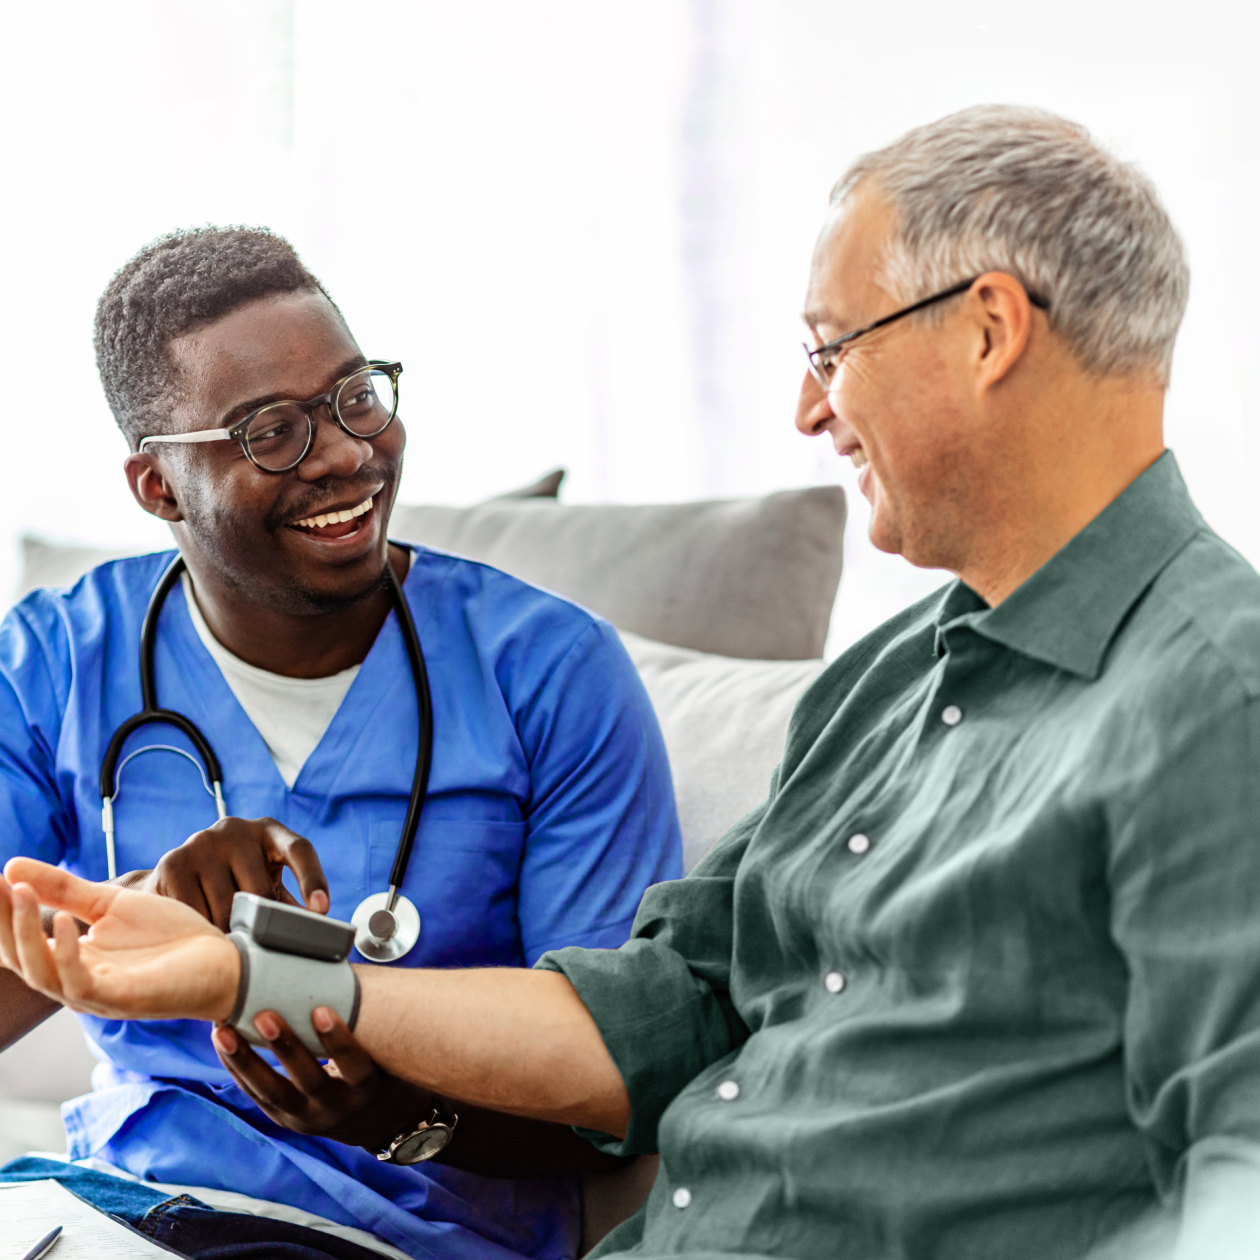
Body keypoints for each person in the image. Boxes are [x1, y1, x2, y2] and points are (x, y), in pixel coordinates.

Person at [5, 102, 1260, 1259]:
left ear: (988, 331)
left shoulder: (1213, 702)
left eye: (832, 349)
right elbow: (663, 1008)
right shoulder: (890, 684)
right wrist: (246, 974)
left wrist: (372, 1096)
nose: (807, 410)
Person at [0, 227, 682, 1259]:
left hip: (402, 1235)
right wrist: (134, 910)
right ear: (158, 487)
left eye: (356, 396)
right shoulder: (54, 661)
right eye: (271, 430)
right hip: (111, 1205)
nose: (345, 454)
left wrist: (394, 1114)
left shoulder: (546, 672)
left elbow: (623, 1083)